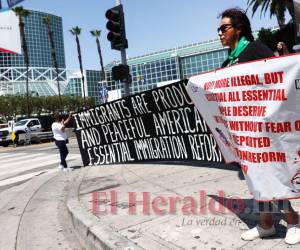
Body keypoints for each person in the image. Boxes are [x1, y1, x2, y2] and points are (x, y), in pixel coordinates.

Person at [218, 8, 300, 245]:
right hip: (243, 134)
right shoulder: (227, 62)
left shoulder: (255, 49)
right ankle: (266, 223)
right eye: (219, 30)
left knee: (271, 175)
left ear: (239, 29)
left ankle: (293, 219)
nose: (220, 34)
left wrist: (284, 56)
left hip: (264, 130)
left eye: (224, 28)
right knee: (256, 178)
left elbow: (278, 73)